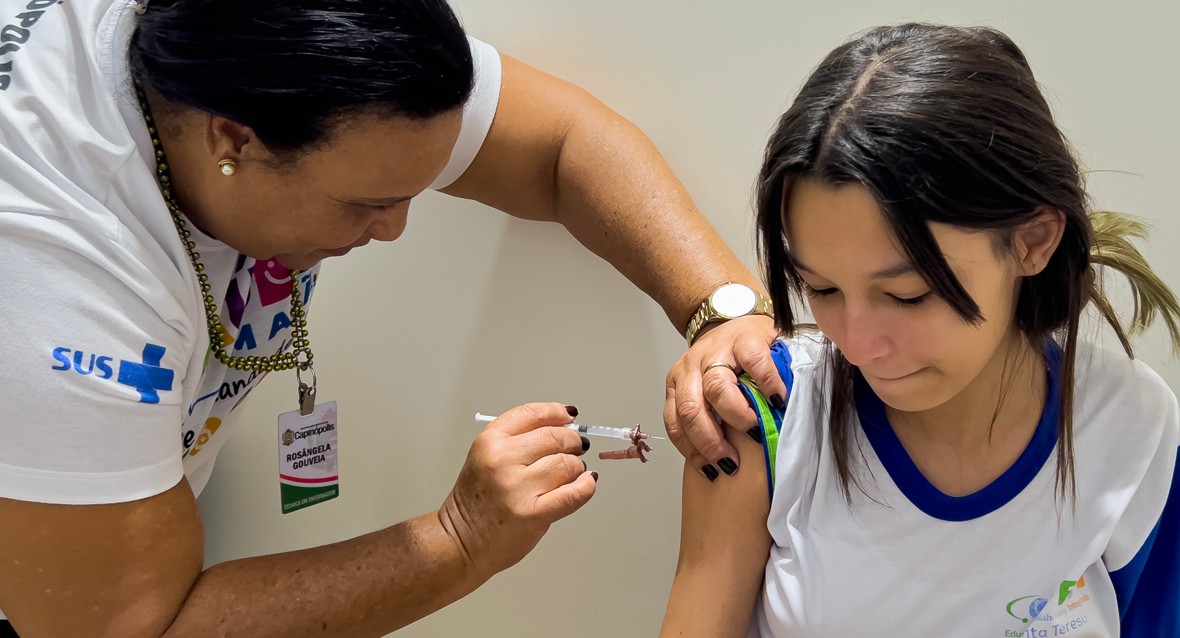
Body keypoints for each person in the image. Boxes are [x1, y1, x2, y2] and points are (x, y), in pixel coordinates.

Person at [0, 1, 786, 636]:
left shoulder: (304, 48)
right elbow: (130, 628)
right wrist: (458, 540)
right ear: (231, 140)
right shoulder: (53, 279)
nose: (396, 230)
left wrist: (720, 311)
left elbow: (560, 144)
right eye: (369, 204)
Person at [661, 23, 1180, 638]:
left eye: (907, 295)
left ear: (1032, 241)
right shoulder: (764, 412)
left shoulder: (1131, 423)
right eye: (824, 289)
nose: (857, 344)